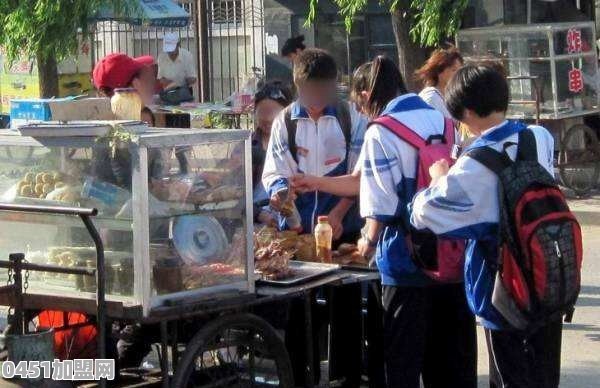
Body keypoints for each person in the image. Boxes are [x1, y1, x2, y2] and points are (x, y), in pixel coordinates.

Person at [410, 65, 560, 388]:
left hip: (503, 289)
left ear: (463, 112)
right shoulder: (540, 138)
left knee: (507, 376)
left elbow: (424, 214)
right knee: (543, 376)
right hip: (548, 277)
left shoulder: (474, 163)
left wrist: (439, 177)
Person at [355, 55, 476, 388]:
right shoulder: (444, 122)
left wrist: (366, 243)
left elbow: (380, 208)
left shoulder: (380, 132)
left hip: (405, 264)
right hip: (451, 257)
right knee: (451, 364)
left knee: (402, 363)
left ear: (366, 95)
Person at [262, 48, 365, 241]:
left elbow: (359, 178)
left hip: (343, 231)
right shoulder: (284, 121)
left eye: (323, 90)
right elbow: (274, 172)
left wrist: (338, 213)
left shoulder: (352, 118)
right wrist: (279, 193)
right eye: (310, 90)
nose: (317, 98)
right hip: (297, 233)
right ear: (298, 86)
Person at [252, 81, 293, 226]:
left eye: (273, 112)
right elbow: (236, 194)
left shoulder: (296, 144)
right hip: (256, 222)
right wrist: (259, 214)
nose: (268, 118)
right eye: (263, 111)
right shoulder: (247, 147)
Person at [415, 46, 463, 119]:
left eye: (460, 70)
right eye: (454, 70)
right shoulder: (430, 98)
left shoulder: (457, 96)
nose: (458, 74)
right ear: (439, 71)